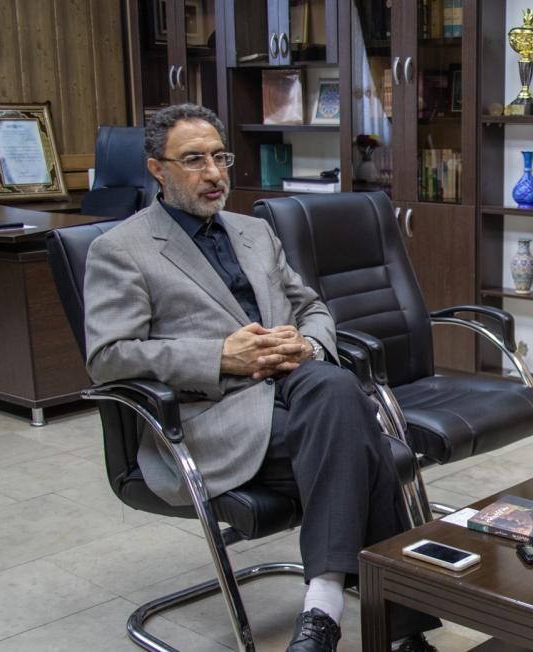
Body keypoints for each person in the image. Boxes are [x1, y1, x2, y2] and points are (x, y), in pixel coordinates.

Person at [83, 104, 439, 652]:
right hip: (211, 412)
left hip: (296, 384)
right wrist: (218, 356)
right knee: (364, 439)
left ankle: (323, 609)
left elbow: (311, 306)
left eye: (220, 158)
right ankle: (395, 633)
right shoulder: (121, 249)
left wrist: (309, 343)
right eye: (194, 160)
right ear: (157, 170)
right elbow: (109, 356)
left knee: (335, 385)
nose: (214, 174)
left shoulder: (254, 232)